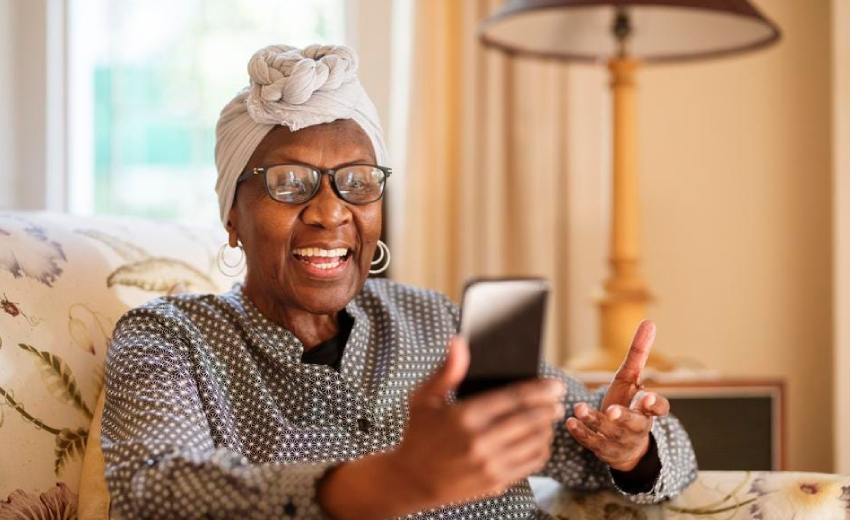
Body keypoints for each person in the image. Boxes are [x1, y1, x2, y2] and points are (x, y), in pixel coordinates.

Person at [101, 44, 697, 520]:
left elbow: (609, 447)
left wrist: (628, 447)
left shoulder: (444, 323)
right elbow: (154, 490)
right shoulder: (169, 340)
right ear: (232, 214)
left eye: (357, 182)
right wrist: (385, 483)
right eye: (289, 182)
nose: (330, 212)